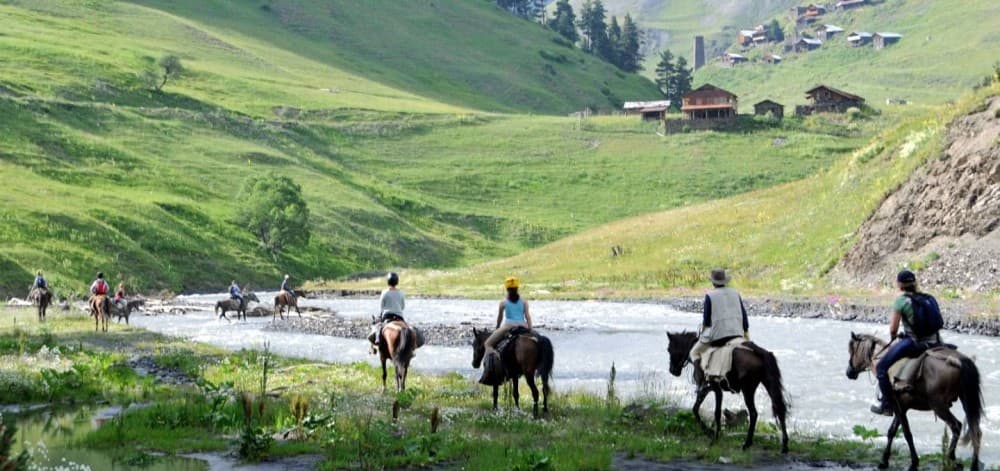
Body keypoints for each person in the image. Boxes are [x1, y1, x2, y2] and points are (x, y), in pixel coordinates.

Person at [870, 270, 943, 416]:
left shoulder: (901, 301)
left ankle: (887, 405)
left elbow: (893, 330)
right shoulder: (929, 298)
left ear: (900, 285)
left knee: (882, 367)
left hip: (915, 344)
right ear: (914, 282)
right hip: (936, 341)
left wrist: (896, 335)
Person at [689, 269, 749, 368]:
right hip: (738, 333)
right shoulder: (735, 293)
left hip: (719, 337)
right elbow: (744, 317)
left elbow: (707, 322)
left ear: (713, 282)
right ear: (725, 280)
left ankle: (703, 380)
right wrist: (745, 332)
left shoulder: (710, 296)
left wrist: (703, 332)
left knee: (694, 353)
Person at [484, 276, 533, 354]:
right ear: (517, 288)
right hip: (523, 326)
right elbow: (528, 317)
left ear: (507, 289)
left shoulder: (503, 302)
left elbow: (500, 318)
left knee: (487, 344)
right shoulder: (524, 301)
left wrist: (497, 327)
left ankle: (493, 361)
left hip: (508, 326)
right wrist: (530, 329)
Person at [369, 272, 405, 346]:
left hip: (387, 316)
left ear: (388, 281)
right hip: (399, 317)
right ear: (397, 282)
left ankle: (377, 339)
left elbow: (381, 306)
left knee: (378, 326)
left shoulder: (384, 292)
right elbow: (402, 307)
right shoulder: (401, 293)